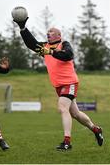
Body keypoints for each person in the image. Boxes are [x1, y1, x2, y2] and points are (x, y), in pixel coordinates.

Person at [13, 18, 104, 150]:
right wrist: (23, 28)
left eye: (51, 31)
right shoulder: (45, 47)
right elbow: (31, 44)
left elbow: (68, 55)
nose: (48, 33)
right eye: (47, 32)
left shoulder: (64, 44)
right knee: (76, 114)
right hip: (59, 86)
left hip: (70, 82)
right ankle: (96, 130)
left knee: (62, 108)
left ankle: (67, 142)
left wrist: (51, 52)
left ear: (58, 35)